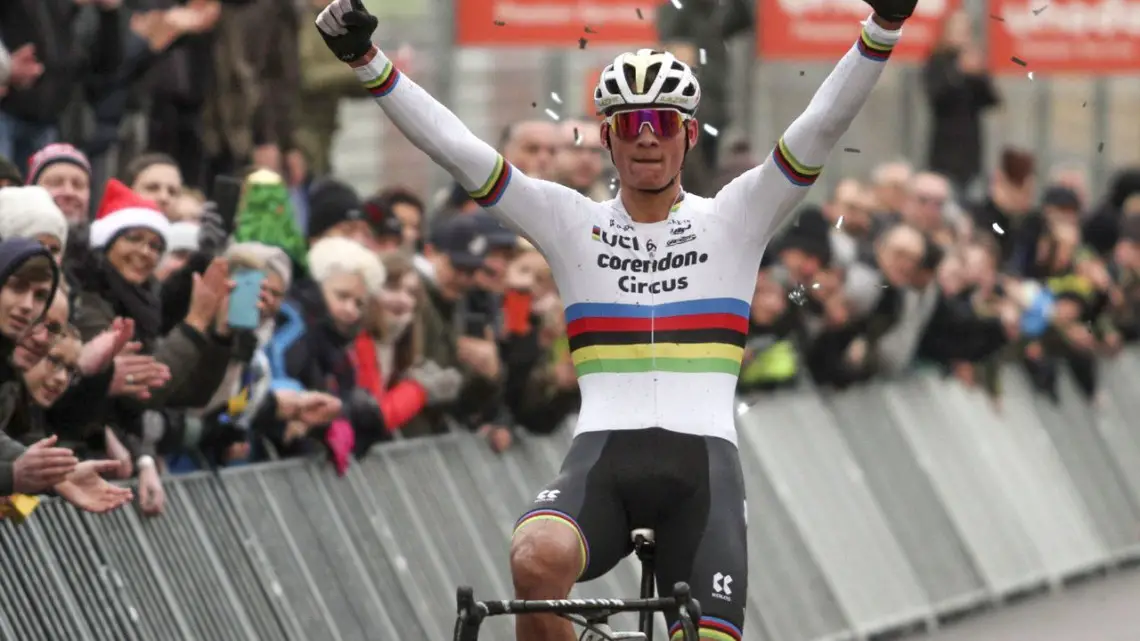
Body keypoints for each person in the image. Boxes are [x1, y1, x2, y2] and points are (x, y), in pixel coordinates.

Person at [315, 1, 915, 639]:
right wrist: (367, 61)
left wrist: (884, 27)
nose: (647, 136)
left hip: (702, 478)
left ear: (689, 133)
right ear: (607, 138)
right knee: (534, 559)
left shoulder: (737, 216)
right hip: (602, 464)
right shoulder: (570, 222)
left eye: (662, 121)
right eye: (629, 125)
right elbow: (461, 153)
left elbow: (821, 126)